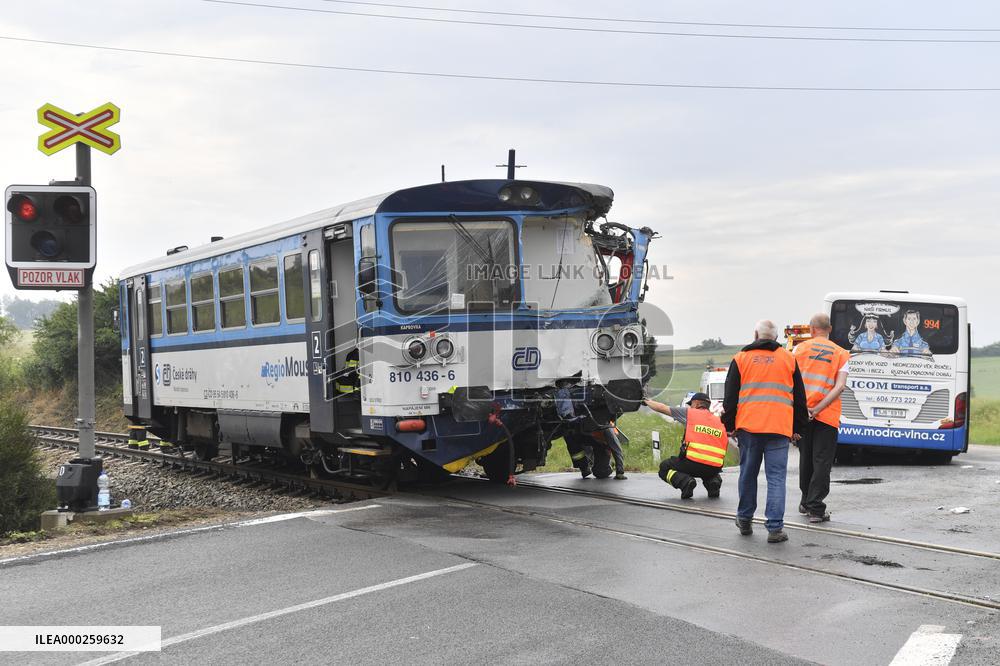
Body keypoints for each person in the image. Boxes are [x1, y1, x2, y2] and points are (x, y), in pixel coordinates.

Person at [722, 320, 808, 544]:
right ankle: (775, 529)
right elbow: (800, 397)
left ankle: (745, 519)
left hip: (749, 428)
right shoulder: (788, 359)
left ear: (755, 335)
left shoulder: (741, 359)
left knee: (748, 474)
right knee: (776, 478)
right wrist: (798, 427)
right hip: (779, 428)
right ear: (776, 337)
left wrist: (729, 424)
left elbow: (730, 397)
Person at [793, 313, 850, 523]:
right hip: (826, 415)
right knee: (822, 461)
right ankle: (816, 508)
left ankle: (805, 500)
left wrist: (805, 410)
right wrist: (818, 409)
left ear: (811, 329)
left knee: (806, 458)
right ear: (830, 329)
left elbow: (791, 381)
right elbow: (840, 386)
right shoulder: (841, 353)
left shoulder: (799, 349)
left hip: (802, 414)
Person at [644, 392, 728, 499]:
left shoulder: (690, 413)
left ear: (697, 404)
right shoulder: (718, 421)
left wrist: (646, 401)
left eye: (691, 404)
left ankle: (685, 482)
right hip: (715, 467)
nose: (690, 407)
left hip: (692, 463)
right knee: (708, 470)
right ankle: (713, 483)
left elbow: (662, 408)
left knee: (664, 467)